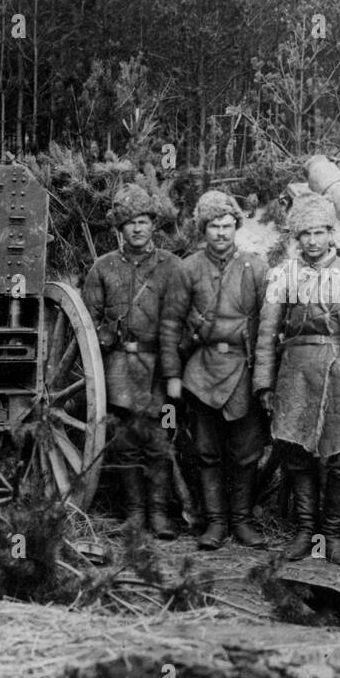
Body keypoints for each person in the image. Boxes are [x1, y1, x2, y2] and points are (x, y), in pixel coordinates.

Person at [253, 193, 340, 566]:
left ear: (332, 234)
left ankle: (334, 535)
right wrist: (263, 384)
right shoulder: (282, 274)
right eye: (305, 234)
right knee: (298, 457)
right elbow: (266, 334)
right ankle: (304, 532)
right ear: (296, 238)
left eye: (319, 233)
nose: (312, 241)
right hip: (295, 372)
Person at [160, 190, 270, 550]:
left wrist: (267, 378)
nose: (221, 233)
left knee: (246, 452)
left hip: (244, 369)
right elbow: (171, 325)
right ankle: (215, 524)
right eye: (213, 226)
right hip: (202, 371)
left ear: (236, 226)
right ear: (202, 228)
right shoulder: (187, 268)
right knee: (206, 452)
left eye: (227, 225)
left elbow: (270, 326)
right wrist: (174, 377)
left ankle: (242, 522)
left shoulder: (257, 266)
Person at [82, 183, 180, 538]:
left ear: (154, 224)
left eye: (143, 221)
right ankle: (135, 515)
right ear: (119, 229)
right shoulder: (103, 268)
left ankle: (159, 514)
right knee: (122, 441)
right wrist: (106, 331)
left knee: (157, 440)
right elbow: (87, 321)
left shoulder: (172, 267)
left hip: (158, 365)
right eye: (129, 223)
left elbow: (182, 318)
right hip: (118, 365)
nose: (137, 229)